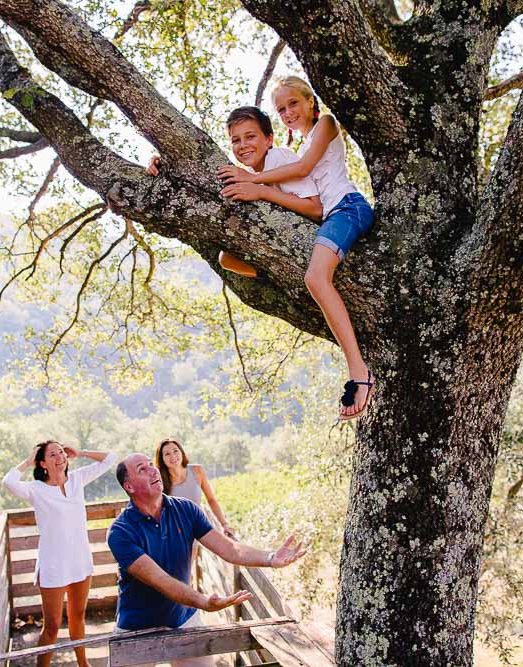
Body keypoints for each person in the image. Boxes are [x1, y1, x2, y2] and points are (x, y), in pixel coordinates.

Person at [217, 76, 375, 422]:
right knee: (226, 257)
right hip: (331, 215)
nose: (288, 112)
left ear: (310, 100)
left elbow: (308, 183)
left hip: (346, 207)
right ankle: (270, 270)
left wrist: (254, 184)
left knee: (317, 279)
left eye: (293, 103)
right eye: (281, 108)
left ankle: (359, 372)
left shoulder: (325, 125)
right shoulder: (296, 148)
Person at [106, 453, 306, 667]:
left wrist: (271, 558)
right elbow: (160, 580)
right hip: (137, 626)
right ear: (129, 487)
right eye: (141, 469)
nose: (153, 470)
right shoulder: (120, 532)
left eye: (150, 465)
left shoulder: (186, 509)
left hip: (183, 618)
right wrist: (203, 602)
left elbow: (230, 549)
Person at [147, 105, 322, 277]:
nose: (243, 145)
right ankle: (273, 276)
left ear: (269, 139)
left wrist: (262, 192)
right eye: (236, 140)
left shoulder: (278, 158)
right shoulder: (250, 174)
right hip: (283, 250)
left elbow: (316, 210)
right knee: (226, 258)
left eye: (250, 136)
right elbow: (202, 178)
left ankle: (278, 275)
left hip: (315, 241)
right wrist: (165, 167)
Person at [2, 442, 115, 667]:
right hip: (53, 565)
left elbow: (111, 458)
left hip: (80, 562)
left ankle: (84, 664)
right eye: (52, 454)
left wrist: (80, 452)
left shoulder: (77, 479)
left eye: (61, 452)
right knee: (52, 625)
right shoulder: (36, 489)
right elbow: (8, 482)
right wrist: (28, 461)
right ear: (42, 463)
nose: (60, 457)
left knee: (78, 617)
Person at [155, 437, 234, 538]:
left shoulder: (197, 471)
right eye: (167, 454)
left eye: (175, 451)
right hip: (174, 531)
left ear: (181, 452)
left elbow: (211, 499)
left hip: (196, 525)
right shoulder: (159, 480)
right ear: (162, 459)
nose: (173, 456)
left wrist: (224, 524)